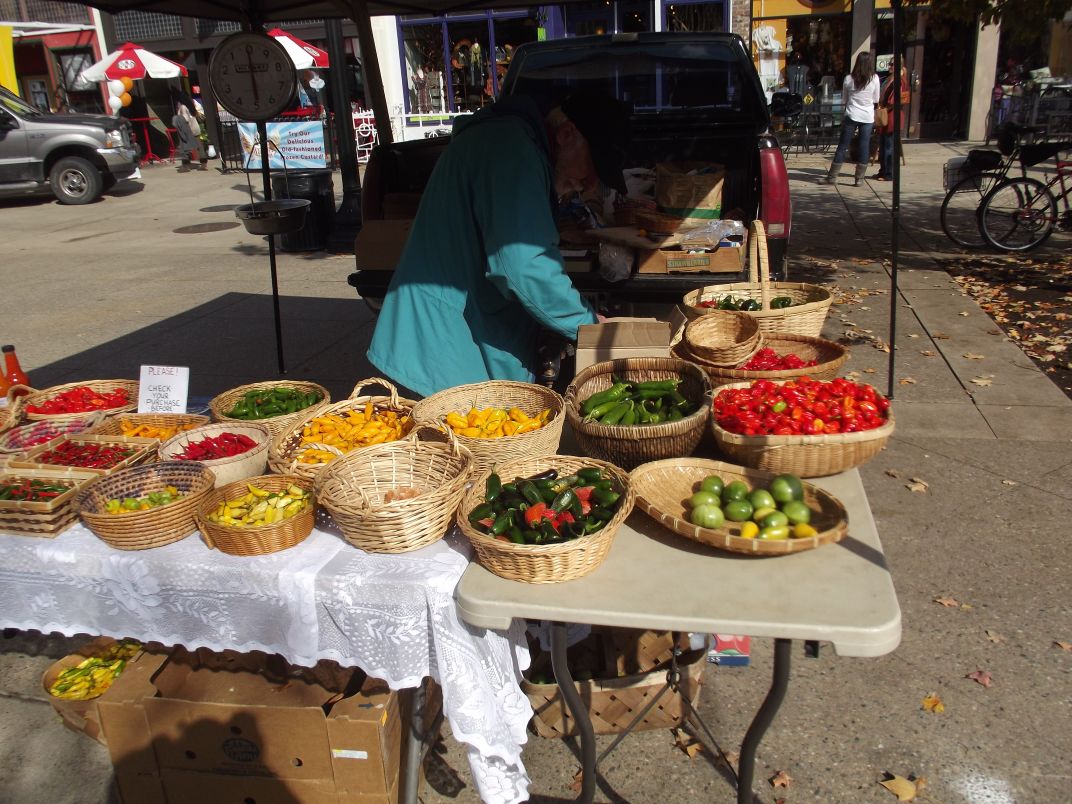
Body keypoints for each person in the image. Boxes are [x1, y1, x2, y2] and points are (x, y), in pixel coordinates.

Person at [367, 91, 631, 398]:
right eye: (592, 166)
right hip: (444, 343)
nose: (589, 184)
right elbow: (523, 264)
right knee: (462, 441)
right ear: (566, 134)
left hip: (465, 329)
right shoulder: (512, 151)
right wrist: (587, 324)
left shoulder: (516, 145)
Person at [819, 52, 880, 186]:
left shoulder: (849, 79)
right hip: (867, 116)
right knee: (864, 146)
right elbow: (876, 99)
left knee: (842, 146)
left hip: (852, 114)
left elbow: (845, 99)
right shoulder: (874, 79)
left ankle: (832, 176)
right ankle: (859, 178)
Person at [871, 65, 910, 182]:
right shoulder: (890, 80)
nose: (890, 66)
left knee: (888, 147)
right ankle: (883, 171)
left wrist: (883, 110)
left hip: (892, 117)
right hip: (886, 117)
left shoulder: (900, 82)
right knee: (883, 146)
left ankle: (888, 173)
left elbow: (896, 101)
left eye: (893, 64)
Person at [171, 97, 203, 172]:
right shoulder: (191, 105)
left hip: (189, 130)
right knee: (199, 146)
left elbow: (186, 119)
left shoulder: (183, 107)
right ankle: (203, 163)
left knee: (184, 148)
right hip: (196, 128)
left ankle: (186, 166)